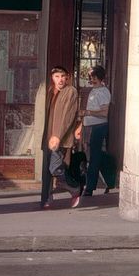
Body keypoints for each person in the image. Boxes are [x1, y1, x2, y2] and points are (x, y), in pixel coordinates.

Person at [41, 66, 82, 209]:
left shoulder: (70, 91)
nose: (60, 79)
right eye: (57, 76)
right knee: (48, 169)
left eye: (63, 76)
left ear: (67, 77)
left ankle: (74, 188)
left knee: (55, 168)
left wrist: (58, 135)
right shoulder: (52, 91)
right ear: (52, 78)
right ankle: (48, 198)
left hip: (60, 139)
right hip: (49, 136)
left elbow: (68, 116)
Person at [80, 66, 112, 198]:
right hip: (90, 126)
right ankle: (103, 181)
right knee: (91, 157)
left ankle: (91, 186)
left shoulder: (103, 92)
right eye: (90, 77)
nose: (92, 79)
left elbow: (105, 113)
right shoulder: (94, 90)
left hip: (98, 127)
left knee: (93, 158)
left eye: (94, 76)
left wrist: (88, 112)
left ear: (100, 77)